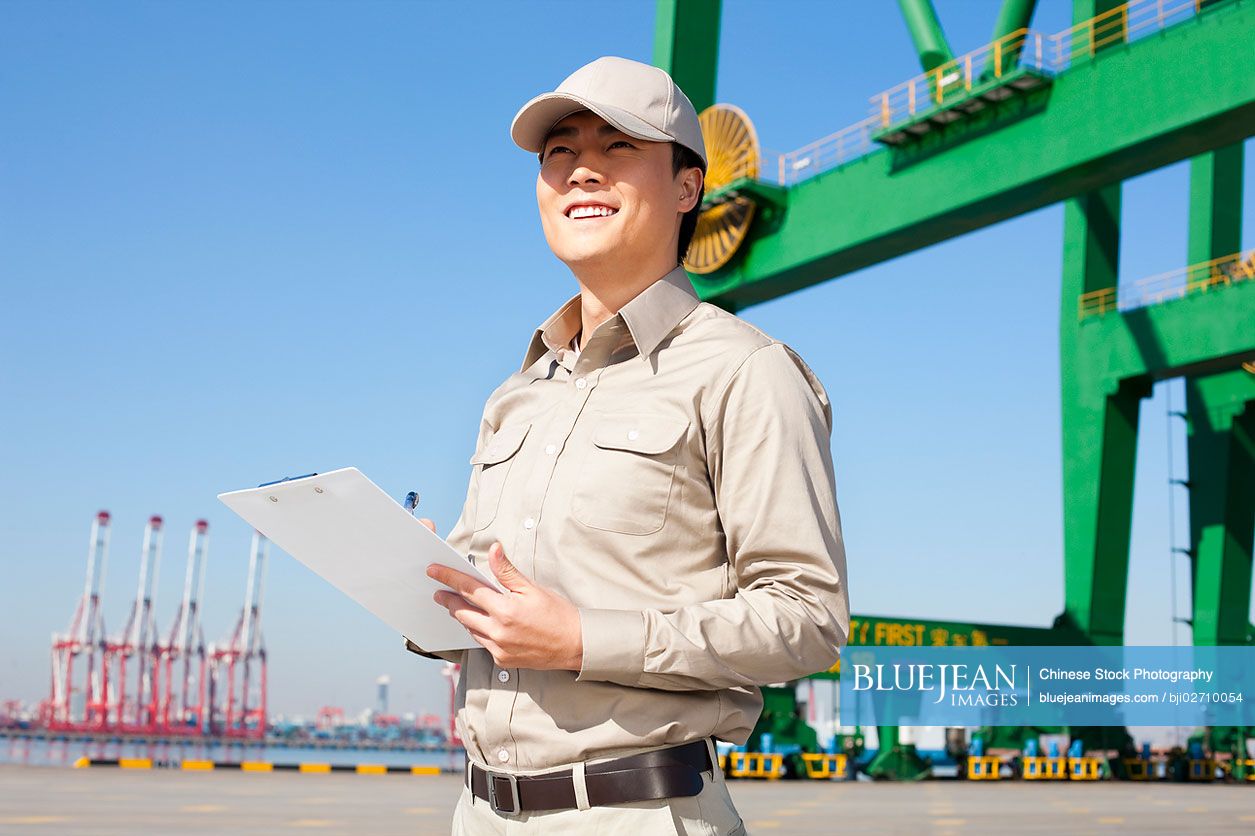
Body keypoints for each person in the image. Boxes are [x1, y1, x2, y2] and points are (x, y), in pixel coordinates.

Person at [406, 55, 851, 835]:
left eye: (617, 149)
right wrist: (418, 585)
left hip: (635, 812)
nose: (581, 171)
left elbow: (806, 620)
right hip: (477, 813)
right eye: (560, 153)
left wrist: (583, 639)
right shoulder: (516, 396)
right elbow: (489, 614)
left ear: (687, 187)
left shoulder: (746, 372)